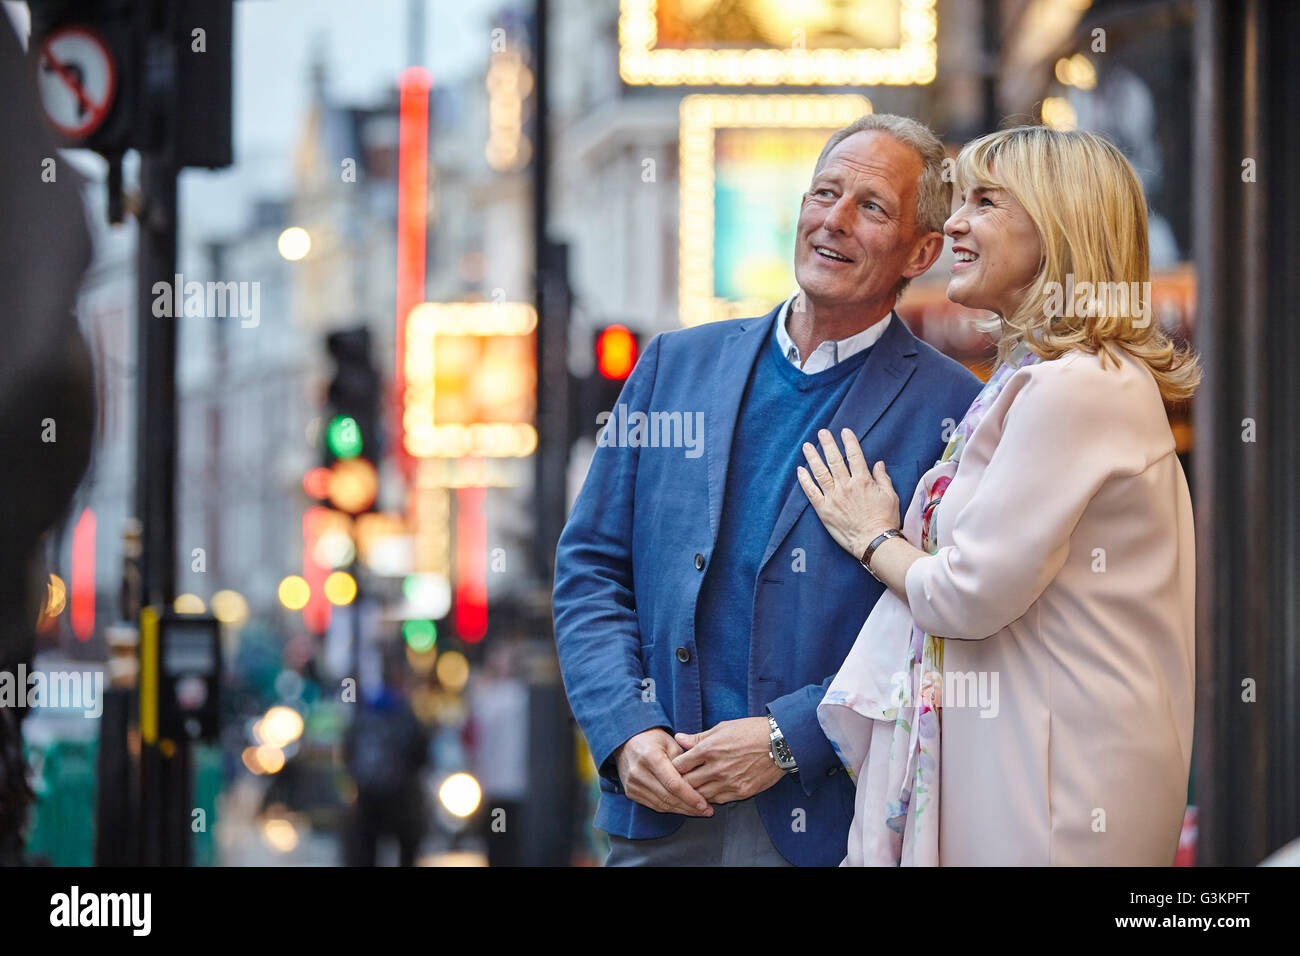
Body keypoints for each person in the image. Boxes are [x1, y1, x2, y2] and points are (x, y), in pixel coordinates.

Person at [552, 114, 982, 866]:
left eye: (871, 207)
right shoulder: (670, 368)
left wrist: (793, 738)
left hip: (828, 822)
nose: (834, 221)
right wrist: (624, 726)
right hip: (659, 810)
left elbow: (942, 631)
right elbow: (591, 569)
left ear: (922, 251)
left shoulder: (952, 408)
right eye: (824, 193)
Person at [805, 125, 1199, 865]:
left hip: (1054, 799)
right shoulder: (1045, 378)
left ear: (1059, 227)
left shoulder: (1076, 385)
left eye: (984, 201)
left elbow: (968, 594)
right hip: (1034, 770)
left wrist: (870, 536)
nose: (953, 221)